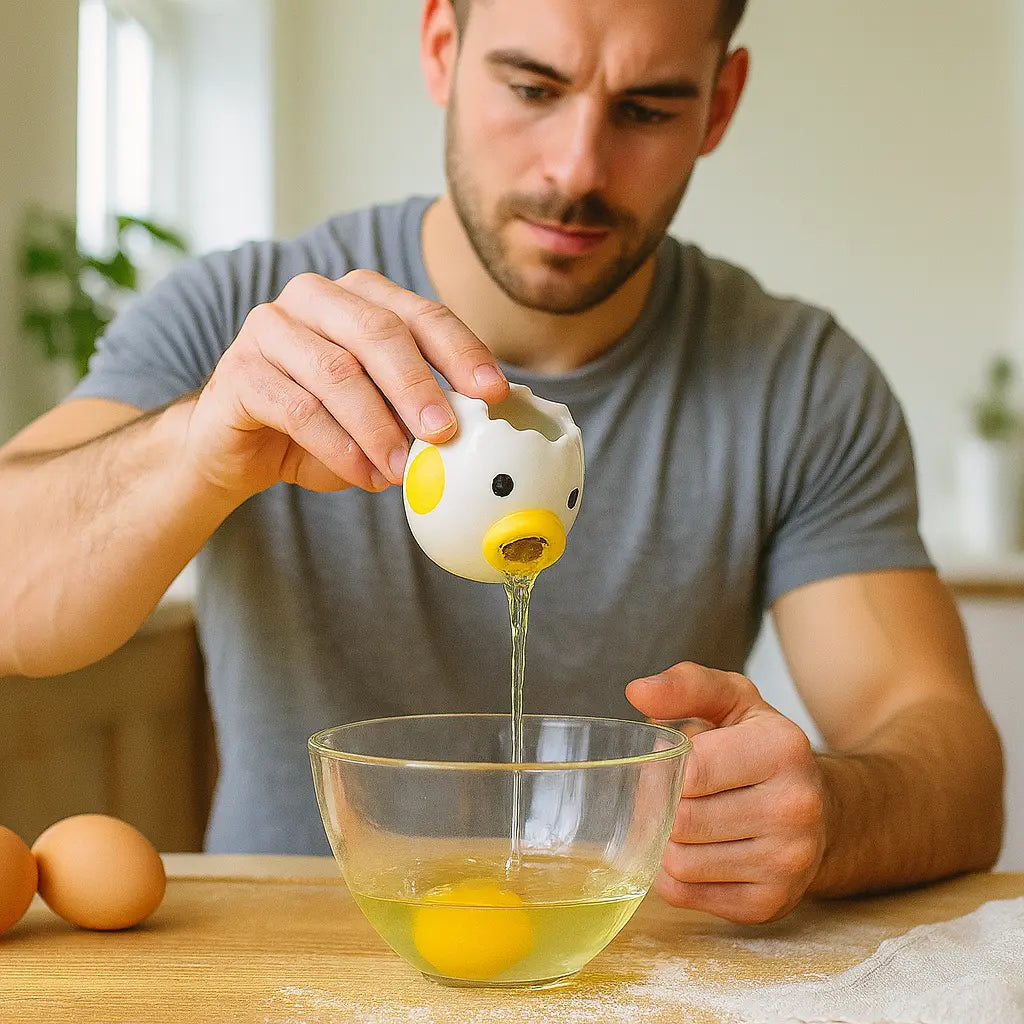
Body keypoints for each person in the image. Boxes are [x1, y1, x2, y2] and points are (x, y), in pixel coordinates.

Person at [0, 0, 1003, 924]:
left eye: (647, 109)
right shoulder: (244, 318)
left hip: (618, 957)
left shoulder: (798, 383)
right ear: (442, 48)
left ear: (720, 104)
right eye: (531, 88)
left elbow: (945, 757)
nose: (576, 169)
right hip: (284, 960)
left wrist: (830, 807)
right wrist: (199, 445)